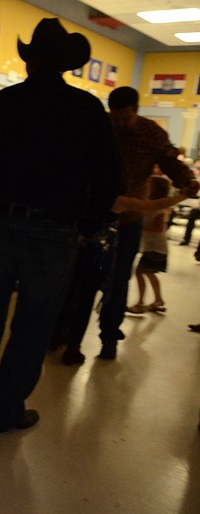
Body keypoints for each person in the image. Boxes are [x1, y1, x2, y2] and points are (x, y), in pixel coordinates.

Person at [0, 18, 122, 432]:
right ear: (66, 65)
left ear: (29, 62)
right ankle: (6, 411)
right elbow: (110, 176)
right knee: (33, 325)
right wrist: (88, 225)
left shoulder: (1, 102)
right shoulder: (87, 109)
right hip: (55, 231)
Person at [97, 86, 198, 359]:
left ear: (136, 111)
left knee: (120, 278)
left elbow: (170, 163)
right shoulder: (101, 126)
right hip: (95, 213)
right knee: (83, 275)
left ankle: (109, 336)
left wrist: (186, 181)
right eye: (116, 117)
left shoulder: (152, 133)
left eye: (126, 118)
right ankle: (67, 333)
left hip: (130, 217)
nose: (120, 123)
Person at [126, 177, 174, 314]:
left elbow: (159, 228)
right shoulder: (151, 205)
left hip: (156, 248)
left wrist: (139, 226)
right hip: (153, 247)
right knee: (148, 273)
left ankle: (141, 303)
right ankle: (158, 300)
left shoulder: (159, 209)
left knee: (141, 272)